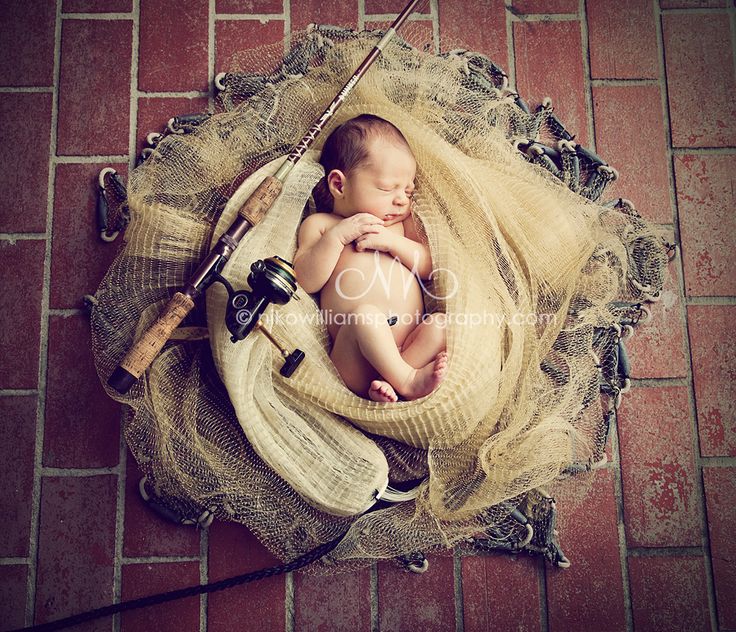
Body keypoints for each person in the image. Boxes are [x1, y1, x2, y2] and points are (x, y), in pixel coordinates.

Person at [293, 114, 447, 402]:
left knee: (441, 325)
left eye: (408, 190)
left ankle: (395, 378)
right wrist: (337, 237)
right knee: (366, 316)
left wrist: (393, 243)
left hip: (409, 346)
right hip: (354, 358)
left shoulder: (401, 225)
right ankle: (407, 380)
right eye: (389, 188)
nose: (402, 199)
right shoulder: (322, 225)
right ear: (339, 185)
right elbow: (304, 280)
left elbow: (427, 267)